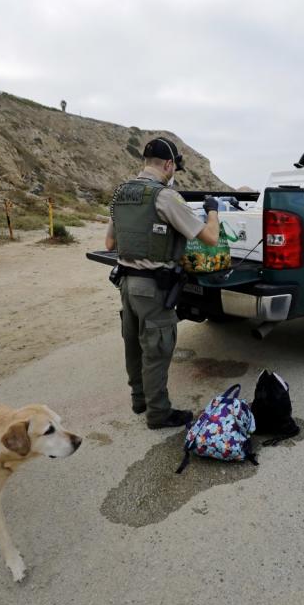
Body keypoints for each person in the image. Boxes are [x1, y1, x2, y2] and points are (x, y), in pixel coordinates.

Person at [105, 137, 222, 428]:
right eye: (174, 168)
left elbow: (109, 243)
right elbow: (210, 238)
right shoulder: (165, 197)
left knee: (133, 344)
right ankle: (158, 413)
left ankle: (139, 400)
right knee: (157, 349)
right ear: (169, 165)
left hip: (126, 284)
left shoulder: (121, 193)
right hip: (154, 288)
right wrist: (213, 211)